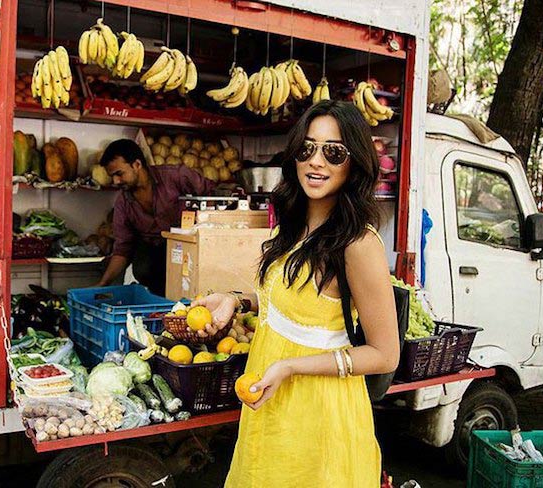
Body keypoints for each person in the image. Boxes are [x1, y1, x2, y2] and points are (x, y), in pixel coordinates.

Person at [192, 100, 400, 487]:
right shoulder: (289, 226)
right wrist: (236, 301)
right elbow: (287, 300)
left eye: (333, 152)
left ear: (354, 163)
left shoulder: (358, 244)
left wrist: (290, 367)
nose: (316, 161)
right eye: (307, 148)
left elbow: (385, 353)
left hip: (319, 417)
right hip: (269, 405)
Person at [95, 139, 215, 295]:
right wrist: (103, 284)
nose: (116, 181)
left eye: (119, 174)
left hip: (191, 247)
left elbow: (213, 194)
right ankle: (164, 302)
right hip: (155, 257)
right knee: (142, 267)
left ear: (136, 165)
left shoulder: (176, 177)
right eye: (112, 176)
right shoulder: (123, 203)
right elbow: (123, 249)